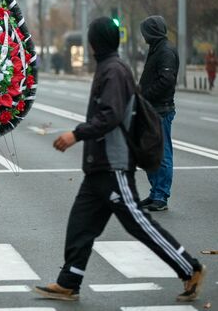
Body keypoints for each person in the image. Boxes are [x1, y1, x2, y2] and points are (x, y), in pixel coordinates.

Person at [34, 17, 206, 303]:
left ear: (96, 42)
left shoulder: (113, 70)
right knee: (80, 224)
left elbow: (111, 115)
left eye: (91, 39)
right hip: (98, 167)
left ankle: (190, 268)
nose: (88, 44)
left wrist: (76, 134)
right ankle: (69, 281)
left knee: (139, 223)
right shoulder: (109, 67)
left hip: (113, 164)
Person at [138, 16, 178, 211]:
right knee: (151, 153)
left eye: (145, 32)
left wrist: (144, 94)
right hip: (152, 110)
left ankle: (161, 196)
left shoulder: (165, 51)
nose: (143, 36)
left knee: (162, 154)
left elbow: (166, 81)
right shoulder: (157, 48)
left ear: (151, 32)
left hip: (161, 110)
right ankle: (155, 193)